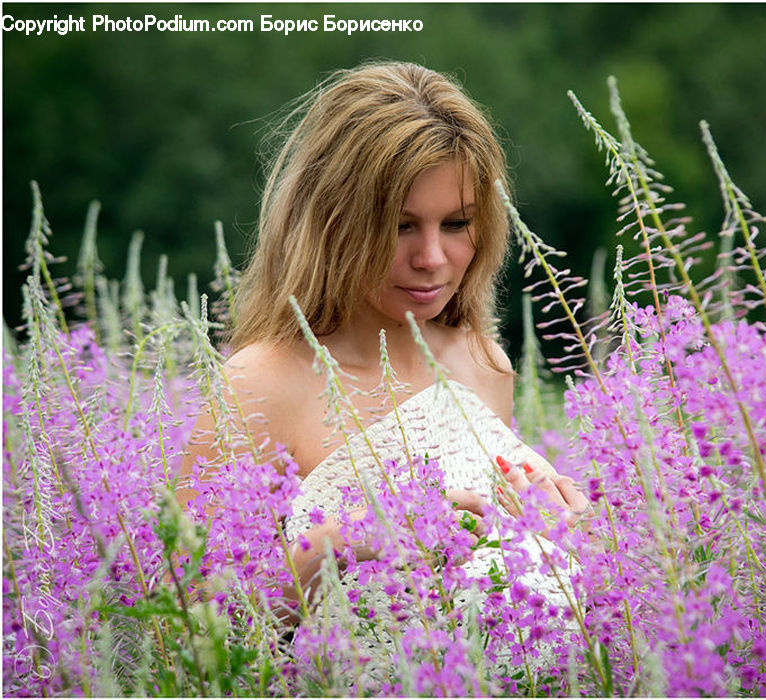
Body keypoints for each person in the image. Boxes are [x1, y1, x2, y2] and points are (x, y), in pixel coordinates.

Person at [177, 61, 587, 613]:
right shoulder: (260, 383)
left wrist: (546, 525)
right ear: (330, 220)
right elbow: (185, 624)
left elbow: (482, 579)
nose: (433, 259)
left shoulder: (482, 362)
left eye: (458, 223)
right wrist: (350, 542)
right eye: (400, 225)